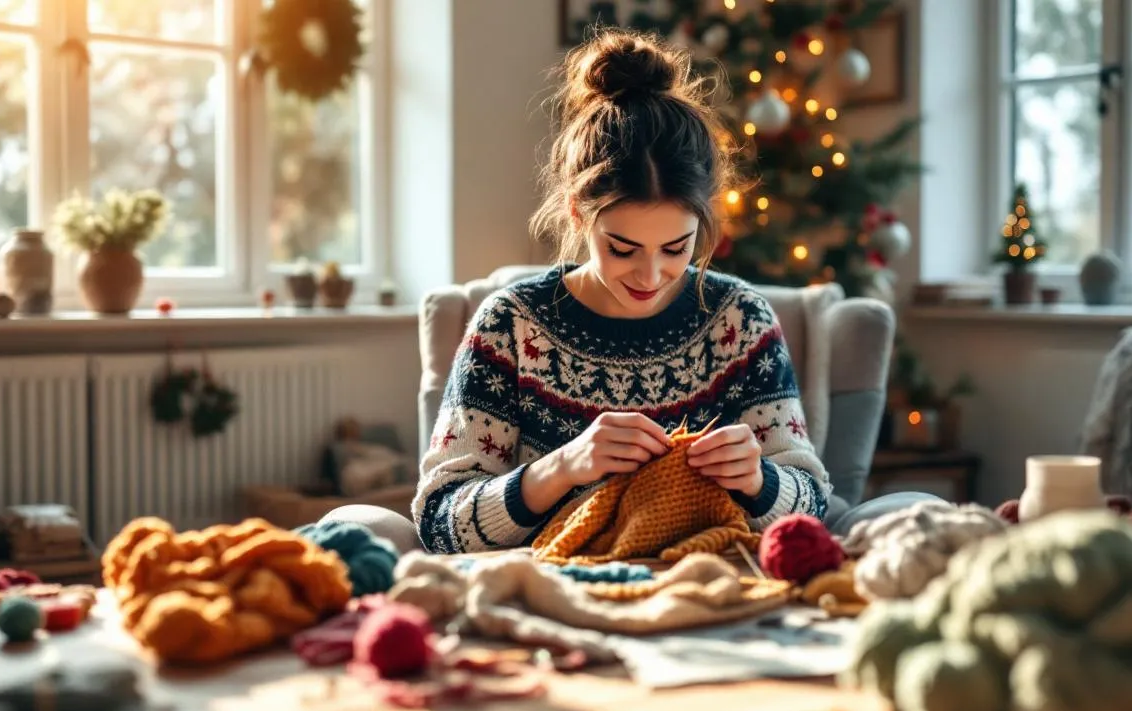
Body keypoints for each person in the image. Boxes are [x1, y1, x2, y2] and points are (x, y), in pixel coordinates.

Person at [322, 28, 935, 555]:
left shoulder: (738, 322)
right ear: (577, 214)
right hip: (555, 601)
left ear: (705, 223)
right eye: (622, 248)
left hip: (716, 597)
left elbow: (812, 505)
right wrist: (560, 469)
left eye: (676, 249)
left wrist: (758, 481)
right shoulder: (511, 326)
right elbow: (438, 523)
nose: (649, 276)